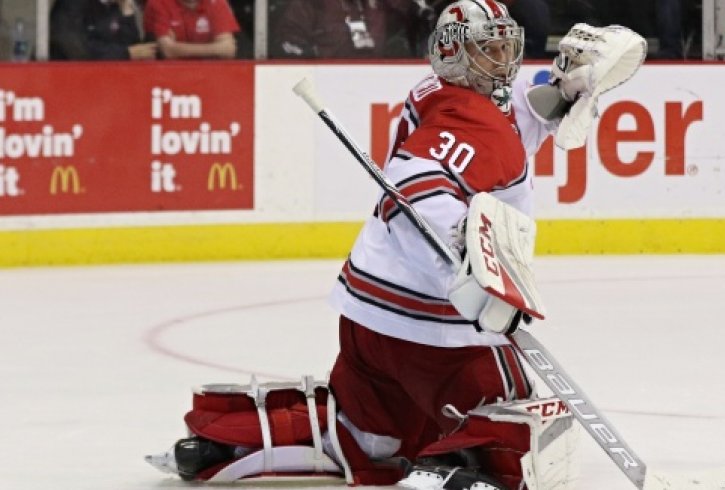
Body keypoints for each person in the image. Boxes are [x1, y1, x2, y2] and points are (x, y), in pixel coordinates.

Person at [146, 1, 646, 488]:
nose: (505, 61)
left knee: (373, 433)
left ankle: (225, 443)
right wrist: (478, 267)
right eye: (489, 51)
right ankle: (448, 470)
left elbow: (509, 123)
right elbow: (415, 185)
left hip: (369, 318)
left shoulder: (436, 92)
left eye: (505, 48)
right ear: (456, 56)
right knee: (511, 414)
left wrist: (560, 90)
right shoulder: (475, 122)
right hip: (435, 324)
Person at [269, 0, 435, 59]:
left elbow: (420, 15)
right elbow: (288, 41)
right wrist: (314, 58)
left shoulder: (383, 3)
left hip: (377, 80)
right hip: (327, 83)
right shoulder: (313, 3)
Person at [49, 0, 157, 60]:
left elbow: (134, 48)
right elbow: (77, 48)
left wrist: (126, 13)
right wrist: (125, 53)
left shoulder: (117, 5)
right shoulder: (72, 4)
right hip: (63, 77)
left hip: (105, 80)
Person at [142, 0, 240, 59]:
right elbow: (168, 51)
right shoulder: (159, 2)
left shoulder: (216, 2)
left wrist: (178, 48)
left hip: (209, 72)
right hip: (167, 73)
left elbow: (229, 50)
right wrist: (216, 48)